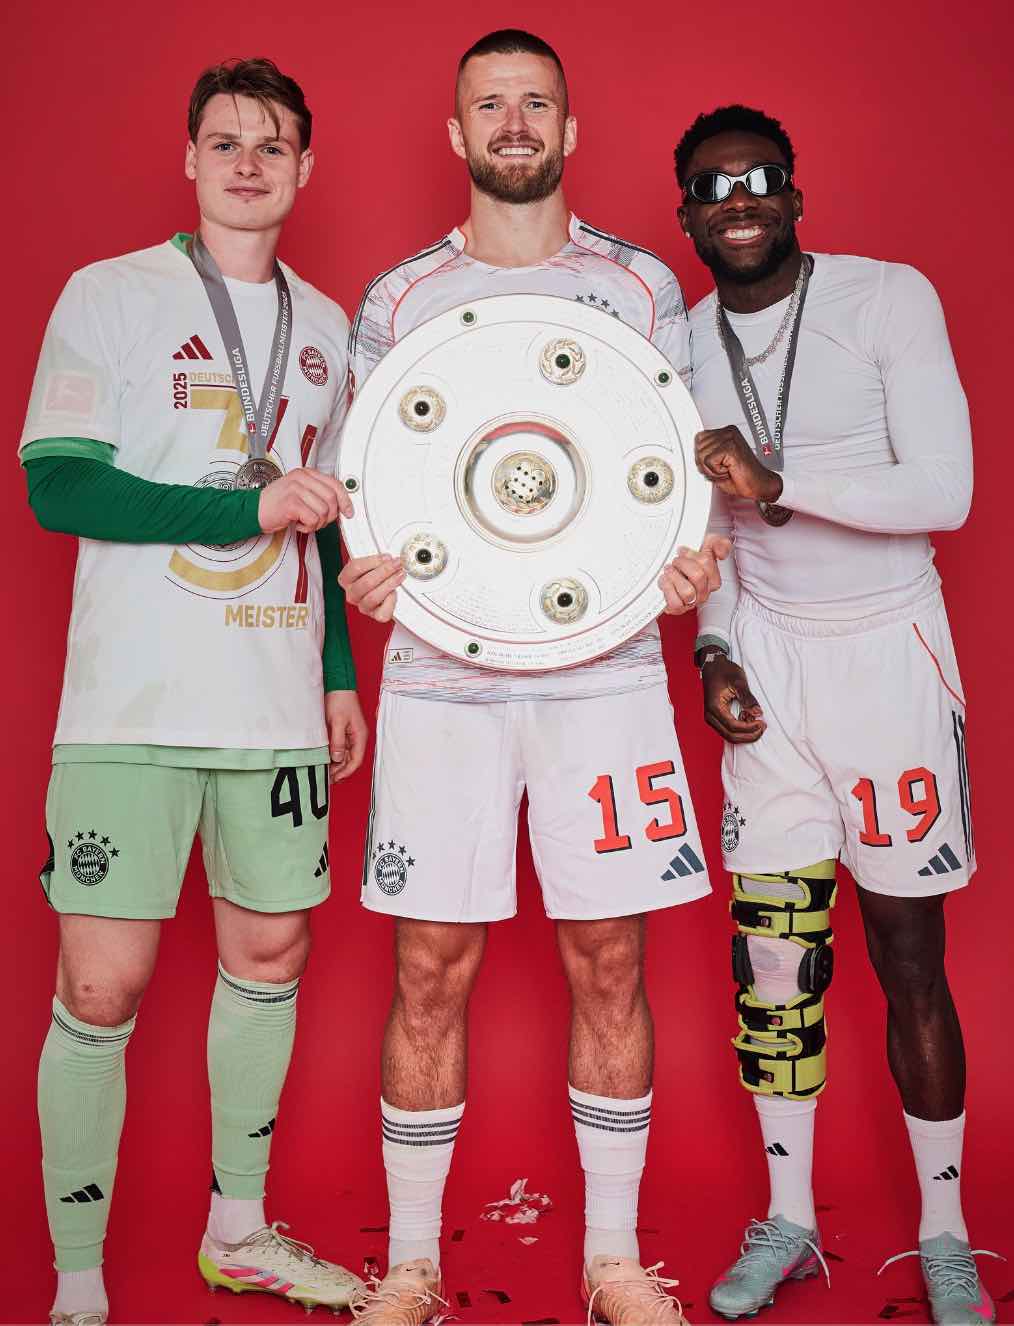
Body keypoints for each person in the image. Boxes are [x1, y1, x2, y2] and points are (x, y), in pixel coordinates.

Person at [340, 29, 726, 1326]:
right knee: (429, 964)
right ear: (457, 135)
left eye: (536, 104)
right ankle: (411, 1267)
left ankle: (612, 1262)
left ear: (569, 129)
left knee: (608, 956)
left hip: (604, 677)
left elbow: (681, 474)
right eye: (491, 105)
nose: (514, 123)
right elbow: (371, 484)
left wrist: (695, 560)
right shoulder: (400, 300)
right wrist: (366, 570)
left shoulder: (639, 287)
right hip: (439, 676)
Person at [21, 58, 367, 1324]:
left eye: (272, 144)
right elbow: (58, 482)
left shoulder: (329, 326)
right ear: (190, 160)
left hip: (273, 705)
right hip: (131, 707)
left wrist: (336, 674)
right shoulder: (110, 295)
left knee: (270, 954)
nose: (247, 163)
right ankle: (77, 1285)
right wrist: (243, 509)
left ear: (304, 168)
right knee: (100, 989)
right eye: (225, 142)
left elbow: (327, 517)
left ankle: (239, 1232)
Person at [675, 103, 996, 1325]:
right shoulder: (682, 341)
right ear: (689, 215)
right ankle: (791, 1220)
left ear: (796, 194)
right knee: (774, 964)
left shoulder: (886, 297)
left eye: (760, 178)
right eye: (714, 187)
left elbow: (947, 490)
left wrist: (783, 482)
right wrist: (713, 652)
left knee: (909, 956)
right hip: (768, 657)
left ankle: (946, 1234)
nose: (740, 200)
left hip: (888, 653)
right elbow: (705, 525)